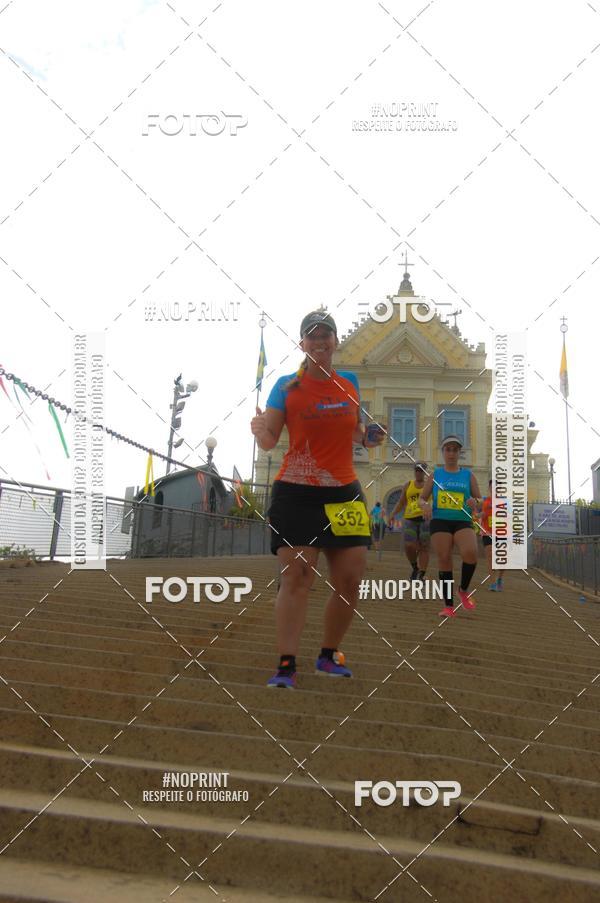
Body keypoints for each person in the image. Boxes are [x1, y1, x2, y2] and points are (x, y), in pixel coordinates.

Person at [250, 310, 385, 688]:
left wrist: (369, 436)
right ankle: (286, 664)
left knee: (350, 577)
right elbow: (269, 440)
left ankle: (328, 655)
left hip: (343, 492)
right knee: (298, 574)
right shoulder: (285, 387)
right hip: (296, 492)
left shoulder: (351, 383)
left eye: (326, 335)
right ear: (302, 343)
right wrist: (260, 429)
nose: (320, 341)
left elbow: (353, 431)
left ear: (335, 341)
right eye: (312, 336)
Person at [418, 436, 482, 618]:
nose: (452, 453)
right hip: (440, 520)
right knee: (444, 558)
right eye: (448, 449)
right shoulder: (436, 475)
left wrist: (474, 501)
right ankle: (448, 606)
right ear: (443, 452)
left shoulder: (468, 475)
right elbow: (422, 498)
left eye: (455, 450)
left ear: (459, 453)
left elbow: (480, 500)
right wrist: (426, 506)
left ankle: (462, 589)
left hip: (462, 520)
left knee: (470, 553)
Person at [389, 461, 430, 582]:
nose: (419, 472)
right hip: (410, 518)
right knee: (409, 546)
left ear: (425, 472)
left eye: (421, 470)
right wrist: (392, 514)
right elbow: (401, 502)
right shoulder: (408, 485)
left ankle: (422, 575)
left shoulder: (429, 485)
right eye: (417, 470)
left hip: (425, 519)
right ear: (414, 471)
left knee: (424, 547)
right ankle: (415, 567)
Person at [480, 479, 504, 591]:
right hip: (487, 532)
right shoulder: (484, 501)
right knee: (490, 555)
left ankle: (499, 579)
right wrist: (477, 515)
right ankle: (492, 582)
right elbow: (481, 513)